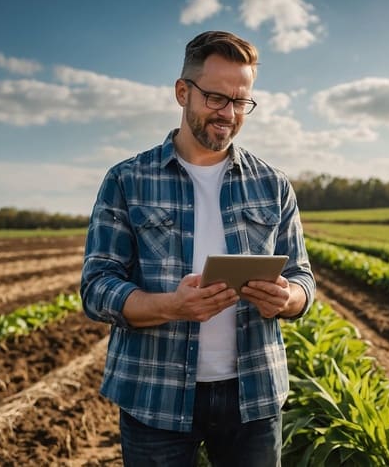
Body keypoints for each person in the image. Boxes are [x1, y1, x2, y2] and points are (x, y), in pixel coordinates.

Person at [80, 30, 315, 467]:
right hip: (155, 393)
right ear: (182, 92)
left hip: (254, 393)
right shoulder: (127, 179)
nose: (228, 113)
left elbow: (303, 277)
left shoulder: (272, 184)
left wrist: (288, 298)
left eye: (240, 101)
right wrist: (172, 305)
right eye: (215, 98)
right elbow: (96, 288)